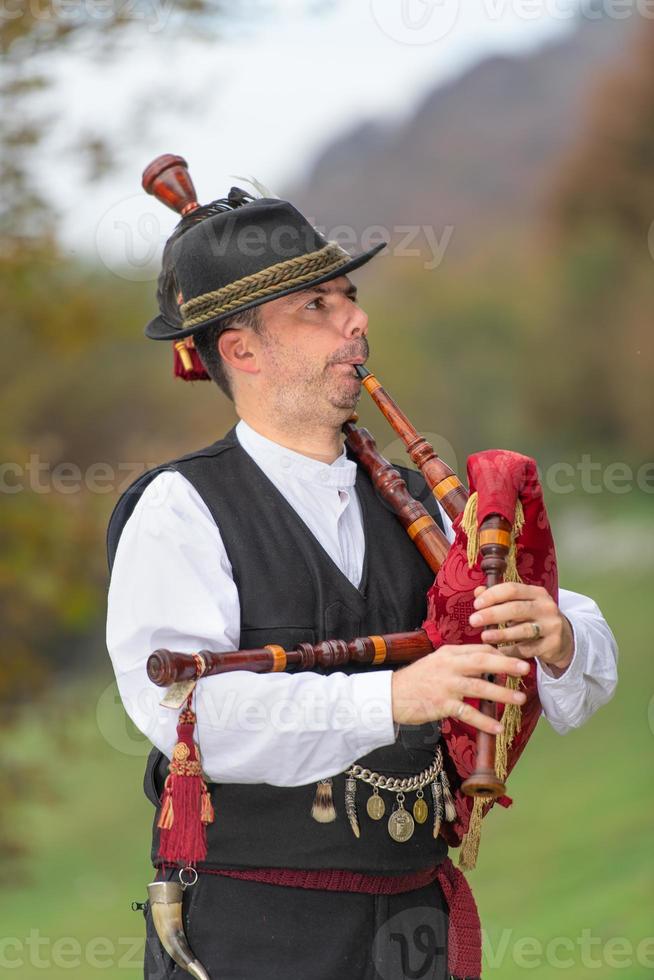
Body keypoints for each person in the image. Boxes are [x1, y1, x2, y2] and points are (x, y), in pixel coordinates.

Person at [106, 184, 617, 980]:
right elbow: (186, 714)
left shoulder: (415, 502)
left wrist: (556, 632)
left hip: (413, 924)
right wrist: (394, 697)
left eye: (350, 297)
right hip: (257, 936)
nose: (357, 322)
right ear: (241, 351)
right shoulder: (181, 510)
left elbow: (579, 643)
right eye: (317, 306)